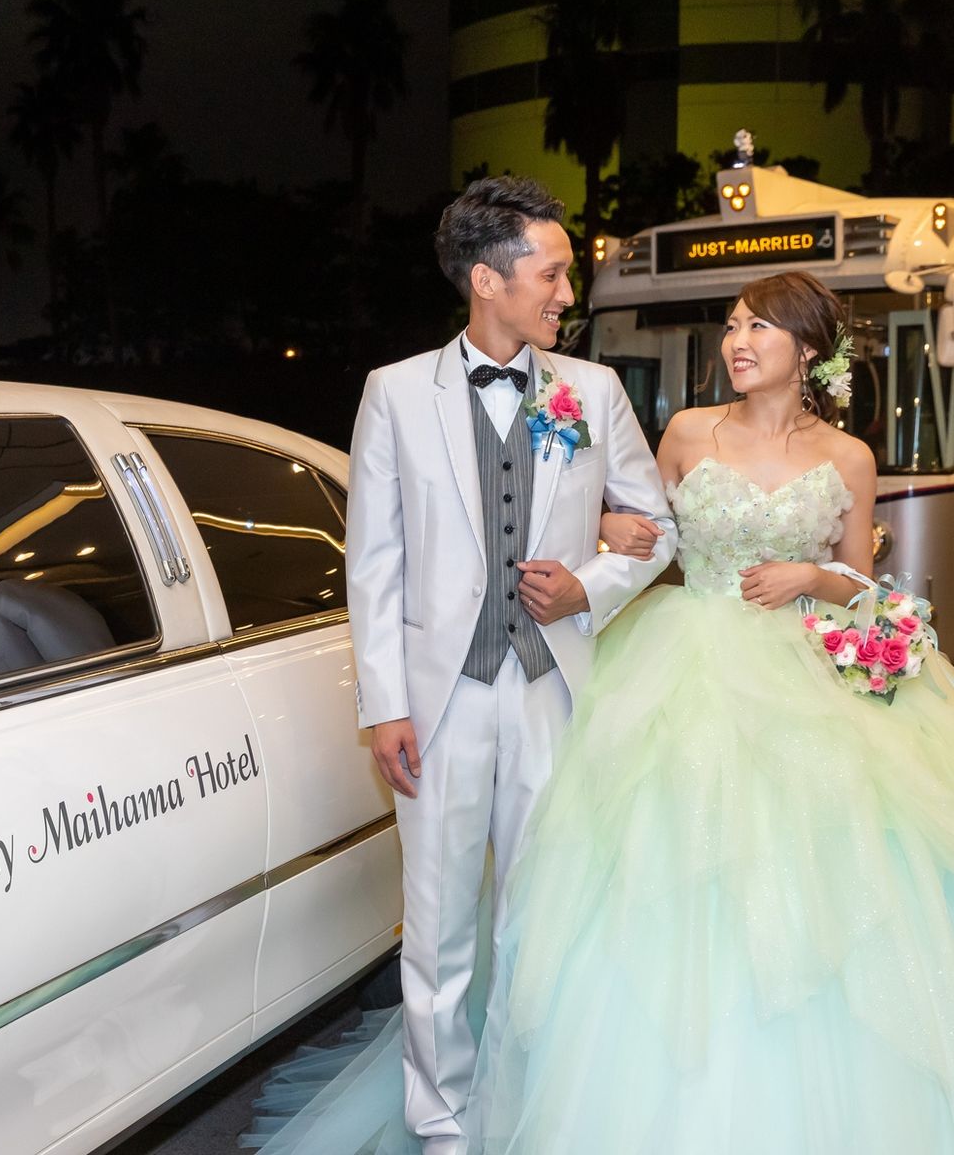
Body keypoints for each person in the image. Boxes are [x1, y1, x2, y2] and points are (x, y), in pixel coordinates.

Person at [242, 270, 954, 1153]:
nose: (736, 342)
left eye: (758, 329)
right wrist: (610, 536)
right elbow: (640, 525)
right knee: (644, 876)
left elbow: (861, 584)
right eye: (733, 326)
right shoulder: (689, 431)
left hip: (796, 676)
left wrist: (814, 575)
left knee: (802, 881)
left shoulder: (848, 457)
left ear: (807, 351)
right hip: (683, 665)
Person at [344, 175, 676, 1154]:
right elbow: (374, 561)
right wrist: (383, 703)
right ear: (487, 279)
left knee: (540, 917)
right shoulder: (394, 392)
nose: (567, 292)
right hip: (435, 702)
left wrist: (589, 585)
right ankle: (442, 1121)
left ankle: (529, 1105)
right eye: (552, 273)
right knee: (437, 922)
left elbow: (655, 526)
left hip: (552, 689)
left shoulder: (592, 390)